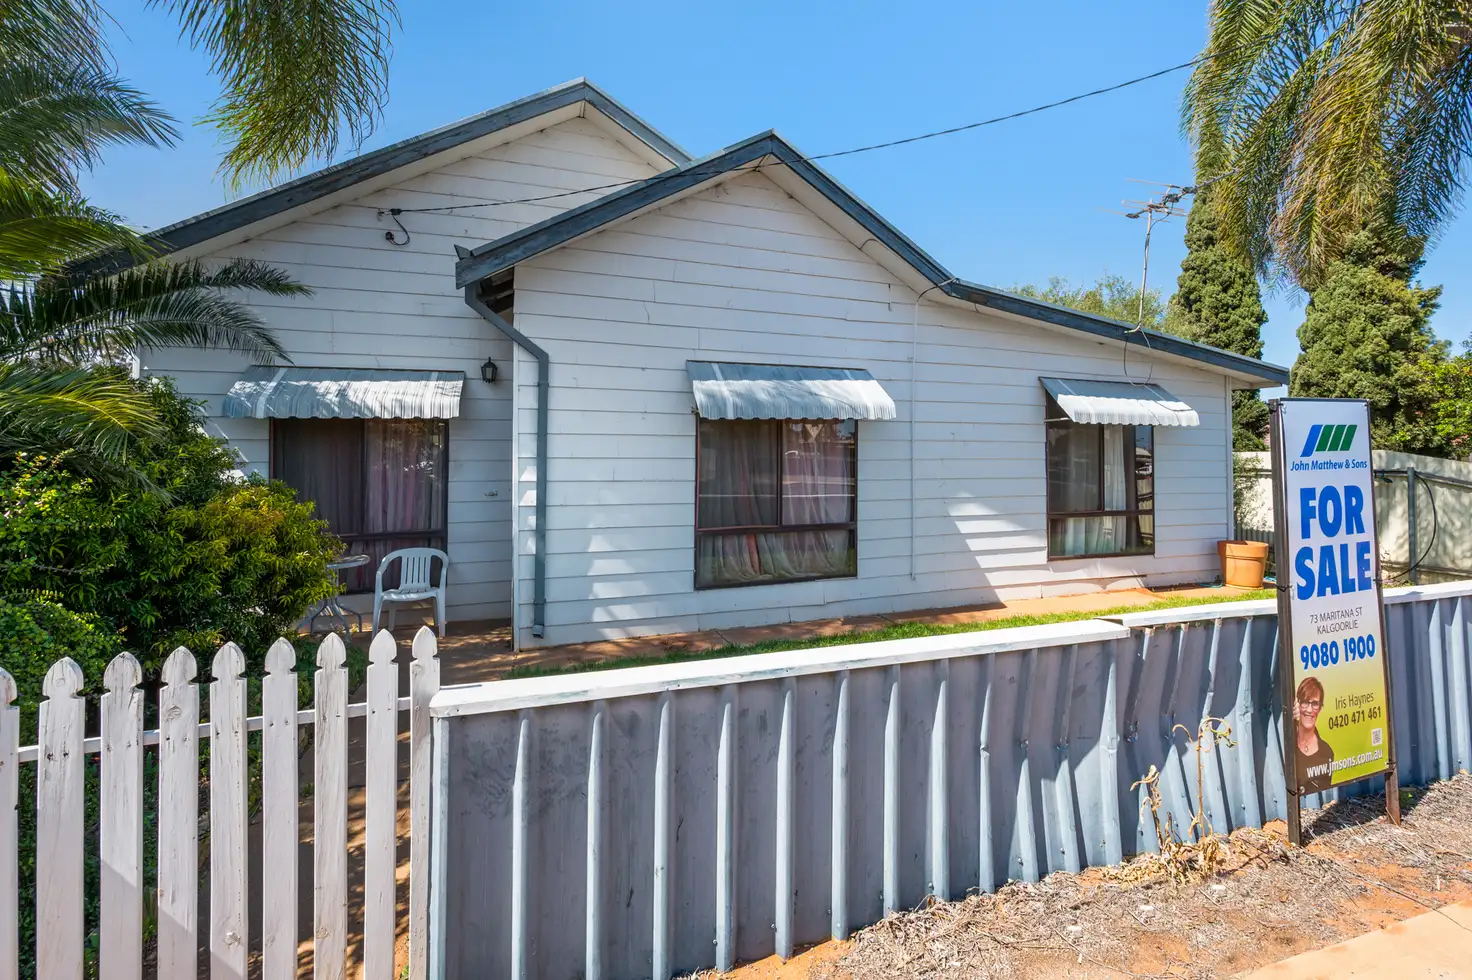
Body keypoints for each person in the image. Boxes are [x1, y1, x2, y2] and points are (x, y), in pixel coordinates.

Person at [1294, 676, 1335, 794]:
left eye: (1315, 704)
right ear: (1298, 704)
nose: (1309, 710)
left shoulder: (1327, 753)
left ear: (1320, 707)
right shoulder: (1285, 741)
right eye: (1305, 702)